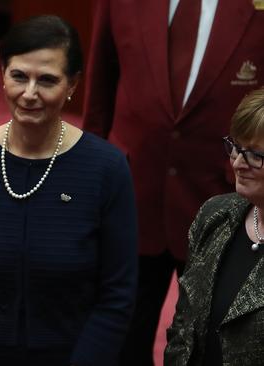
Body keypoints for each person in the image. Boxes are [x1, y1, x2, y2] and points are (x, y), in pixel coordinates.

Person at [0, 15, 138, 366]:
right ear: (2, 76)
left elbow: (117, 296)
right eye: (19, 76)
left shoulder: (107, 169)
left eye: (48, 80)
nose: (30, 93)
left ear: (73, 85)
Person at [82, 0, 264, 364]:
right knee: (117, 341)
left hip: (226, 204)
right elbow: (99, 85)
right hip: (131, 196)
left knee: (212, 342)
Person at [164, 88, 264, 365]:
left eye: (255, 154)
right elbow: (183, 328)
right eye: (235, 147)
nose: (237, 163)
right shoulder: (215, 214)